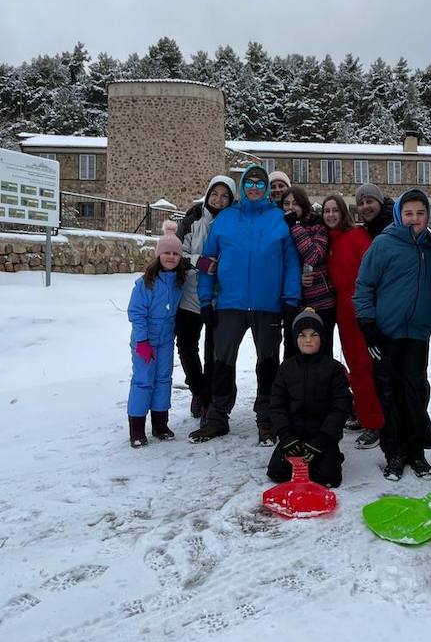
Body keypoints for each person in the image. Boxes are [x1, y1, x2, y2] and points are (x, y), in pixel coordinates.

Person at [193, 163, 302, 445]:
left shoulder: (279, 219)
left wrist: (291, 298)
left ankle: (266, 418)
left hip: (269, 306)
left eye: (260, 183)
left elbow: (291, 263)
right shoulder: (226, 219)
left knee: (267, 364)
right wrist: (206, 300)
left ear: (266, 188)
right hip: (230, 303)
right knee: (222, 363)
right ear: (242, 187)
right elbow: (208, 261)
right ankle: (217, 417)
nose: (255, 188)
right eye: (250, 183)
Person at [352, 187, 431, 481]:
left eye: (420, 213)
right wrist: (368, 327)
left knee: (415, 391)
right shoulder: (383, 245)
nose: (414, 219)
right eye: (408, 213)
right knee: (388, 392)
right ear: (399, 214)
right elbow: (363, 287)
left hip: (417, 333)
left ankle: (416, 451)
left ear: (428, 215)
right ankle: (394, 452)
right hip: (386, 333)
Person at [322, 195, 385, 449]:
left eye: (335, 210)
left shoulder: (358, 237)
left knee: (366, 367)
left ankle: (376, 423)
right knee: (354, 367)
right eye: (326, 211)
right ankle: (362, 412)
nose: (330, 215)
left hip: (363, 311)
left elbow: (373, 273)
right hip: (343, 314)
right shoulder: (328, 241)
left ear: (343, 212)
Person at [266, 308, 352, 488]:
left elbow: (341, 407)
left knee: (328, 478)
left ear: (322, 338)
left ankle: (332, 455)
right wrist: (286, 436)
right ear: (295, 339)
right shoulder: (286, 368)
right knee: (277, 473)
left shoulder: (334, 369)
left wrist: (322, 439)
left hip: (322, 438)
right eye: (302, 335)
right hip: (293, 438)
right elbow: (277, 405)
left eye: (314, 335)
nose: (308, 340)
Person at [175, 174, 238, 422]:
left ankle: (213, 400)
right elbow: (177, 252)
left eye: (225, 196)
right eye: (215, 194)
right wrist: (198, 261)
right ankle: (198, 390)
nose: (219, 200)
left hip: (219, 298)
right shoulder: (194, 217)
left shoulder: (235, 221)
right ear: (208, 193)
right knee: (187, 347)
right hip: (190, 295)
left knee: (215, 352)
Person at [126, 231, 188, 448]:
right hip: (145, 341)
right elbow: (136, 312)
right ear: (158, 255)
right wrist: (142, 341)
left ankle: (160, 424)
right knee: (143, 382)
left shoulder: (179, 282)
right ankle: (137, 428)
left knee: (163, 379)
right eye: (166, 253)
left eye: (175, 253)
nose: (171, 257)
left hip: (166, 340)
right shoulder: (146, 283)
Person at [281, 185, 336, 359]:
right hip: (297, 302)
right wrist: (297, 278)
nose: (290, 207)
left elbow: (314, 255)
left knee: (323, 350)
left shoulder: (318, 225)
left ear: (304, 205)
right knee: (293, 351)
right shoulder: (281, 227)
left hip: (322, 301)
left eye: (295, 203)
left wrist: (295, 227)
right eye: (287, 203)